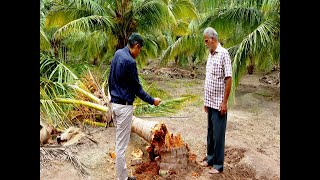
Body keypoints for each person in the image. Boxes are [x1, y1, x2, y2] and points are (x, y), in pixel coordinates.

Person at [108, 33, 161, 180]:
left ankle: (122, 176)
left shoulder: (118, 53)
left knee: (120, 143)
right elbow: (137, 89)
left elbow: (109, 78)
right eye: (140, 50)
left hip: (115, 104)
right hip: (124, 107)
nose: (139, 53)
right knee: (121, 145)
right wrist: (152, 101)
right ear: (137, 46)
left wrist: (112, 97)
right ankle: (122, 178)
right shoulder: (130, 62)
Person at [200, 27, 232, 174]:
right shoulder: (211, 54)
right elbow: (210, 79)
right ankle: (210, 158)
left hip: (219, 103)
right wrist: (206, 102)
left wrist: (224, 102)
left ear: (213, 39)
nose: (205, 44)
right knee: (210, 132)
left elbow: (228, 79)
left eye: (206, 41)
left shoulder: (224, 54)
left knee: (218, 135)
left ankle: (218, 165)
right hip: (210, 101)